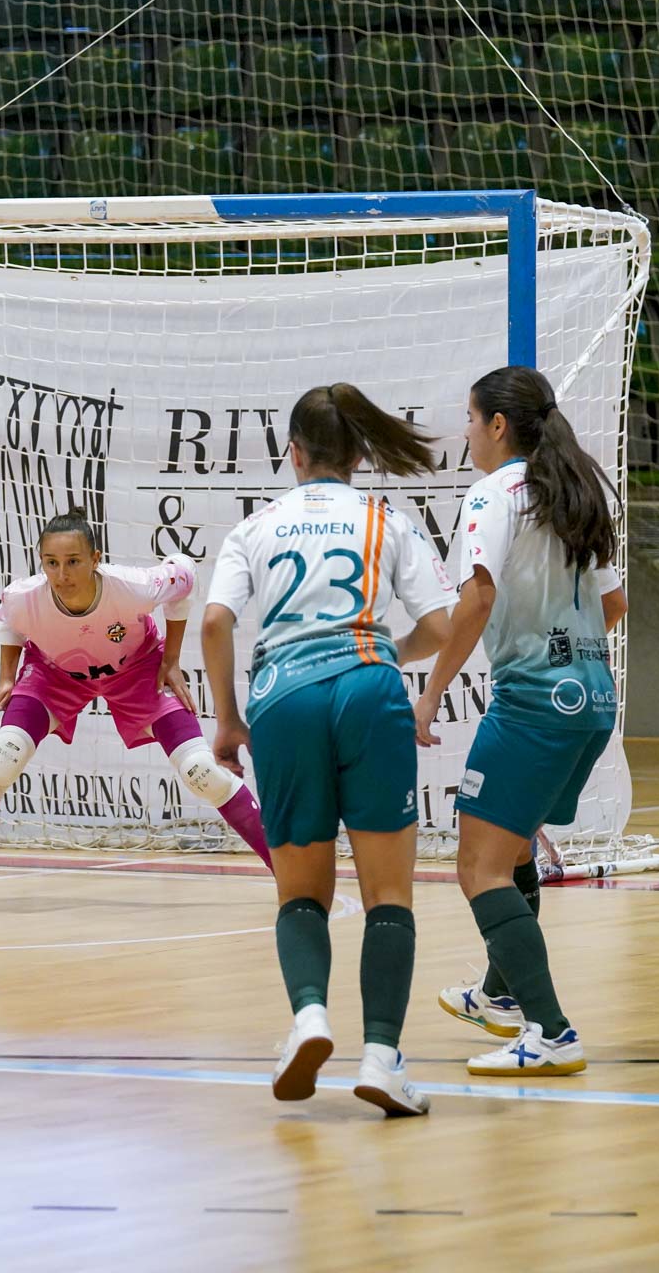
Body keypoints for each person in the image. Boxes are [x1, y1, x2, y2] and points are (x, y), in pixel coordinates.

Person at [203, 383, 454, 1115]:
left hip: (283, 697)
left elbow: (214, 622)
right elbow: (440, 627)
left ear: (294, 454)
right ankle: (381, 1057)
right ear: (358, 456)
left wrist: (228, 719)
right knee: (388, 895)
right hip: (368, 688)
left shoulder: (257, 526)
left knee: (301, 893)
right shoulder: (387, 521)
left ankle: (310, 1015)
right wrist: (385, 653)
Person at [413, 365, 628, 1078]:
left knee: (476, 867)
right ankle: (499, 995)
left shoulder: (492, 493)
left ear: (498, 425)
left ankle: (552, 1032)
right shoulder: (572, 490)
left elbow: (475, 601)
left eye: (470, 419)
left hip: (534, 704)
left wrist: (430, 693)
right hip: (591, 699)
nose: (466, 432)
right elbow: (614, 604)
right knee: (508, 853)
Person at [0, 507, 271, 914]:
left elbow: (184, 574)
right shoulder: (23, 596)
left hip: (137, 670)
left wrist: (172, 658)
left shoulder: (132, 587)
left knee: (202, 772)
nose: (62, 574)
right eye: (51, 563)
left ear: (95, 558)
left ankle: (285, 868)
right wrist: (6, 676)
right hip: (54, 674)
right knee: (3, 756)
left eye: (73, 562)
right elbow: (11, 620)